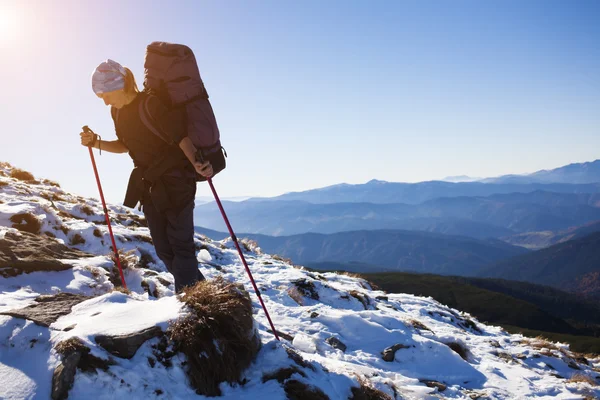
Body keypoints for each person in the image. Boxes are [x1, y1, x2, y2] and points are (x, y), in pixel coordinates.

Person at [80, 59, 212, 293]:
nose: (104, 100)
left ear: (118, 86)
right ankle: (203, 293)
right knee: (164, 249)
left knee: (181, 248)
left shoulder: (150, 104)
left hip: (177, 180)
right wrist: (96, 143)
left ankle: (192, 303)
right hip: (149, 185)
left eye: (105, 94)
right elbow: (125, 145)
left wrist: (198, 164)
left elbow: (180, 137)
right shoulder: (117, 113)